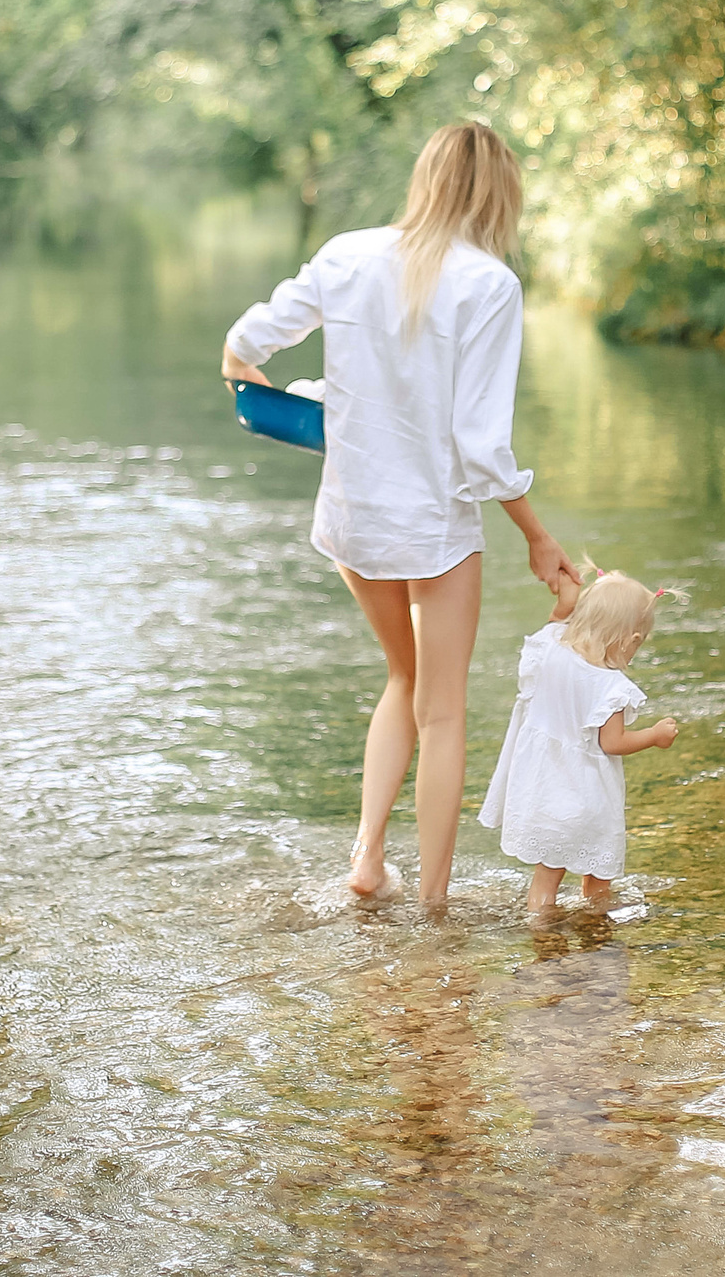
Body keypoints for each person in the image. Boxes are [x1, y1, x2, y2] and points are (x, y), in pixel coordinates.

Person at [222, 120, 574, 909]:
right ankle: (434, 906)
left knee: (401, 677)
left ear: (423, 178)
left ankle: (369, 859)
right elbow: (480, 448)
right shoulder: (489, 284)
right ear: (497, 193)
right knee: (441, 712)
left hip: (353, 515)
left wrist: (267, 393)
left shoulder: (345, 254)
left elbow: (245, 343)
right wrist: (537, 535)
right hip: (435, 528)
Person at [478, 565, 680, 917]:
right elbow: (612, 743)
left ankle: (541, 933)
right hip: (588, 798)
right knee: (598, 874)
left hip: (541, 791)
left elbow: (557, 618)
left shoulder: (548, 650)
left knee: (546, 879)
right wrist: (654, 736)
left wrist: (566, 599)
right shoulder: (611, 686)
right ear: (631, 641)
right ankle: (595, 929)